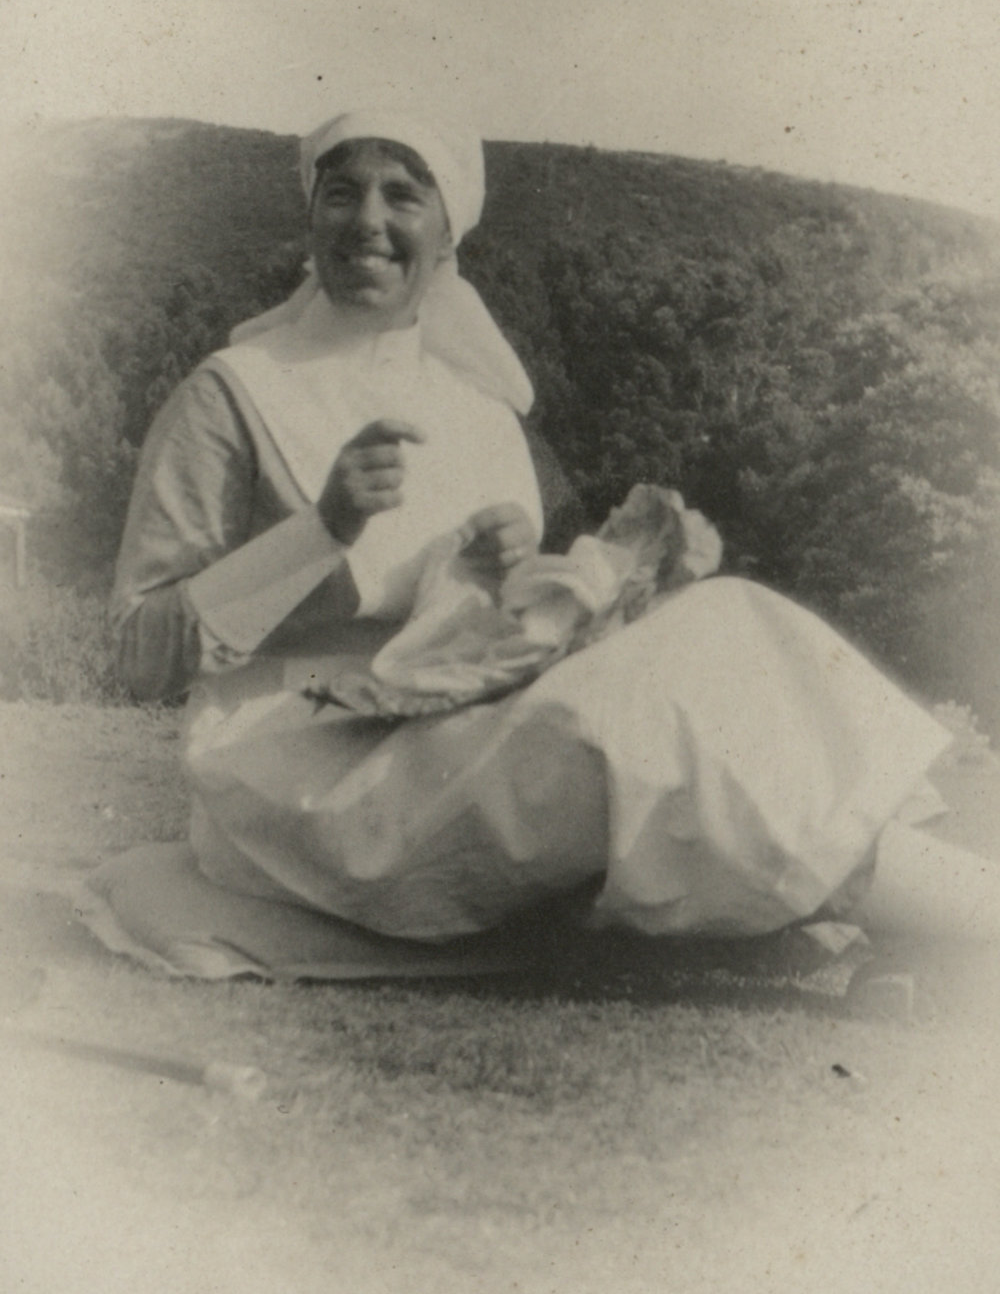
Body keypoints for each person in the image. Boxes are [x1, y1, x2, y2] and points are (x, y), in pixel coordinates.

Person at [81, 108, 1000, 1000]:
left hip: (443, 735)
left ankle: (934, 924)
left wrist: (502, 584)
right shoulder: (231, 394)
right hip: (289, 779)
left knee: (730, 620)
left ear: (448, 238)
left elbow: (477, 648)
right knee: (637, 718)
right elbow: (137, 651)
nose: (368, 222)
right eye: (342, 192)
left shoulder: (479, 412)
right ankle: (959, 923)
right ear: (310, 212)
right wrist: (319, 529)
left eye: (404, 195)